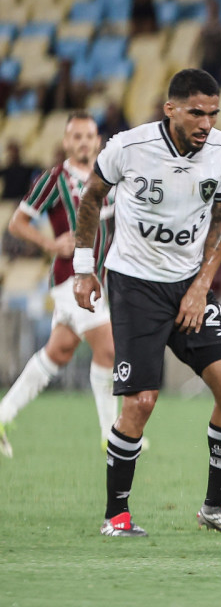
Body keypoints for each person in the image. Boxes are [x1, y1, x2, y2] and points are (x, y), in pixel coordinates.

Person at [72, 69, 221, 537]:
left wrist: (201, 285)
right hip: (135, 285)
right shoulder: (129, 147)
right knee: (142, 402)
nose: (206, 123)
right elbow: (92, 198)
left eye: (213, 113)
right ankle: (116, 514)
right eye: (196, 112)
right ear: (169, 108)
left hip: (189, 284)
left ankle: (216, 506)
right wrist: (82, 267)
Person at [0, 112, 115, 458]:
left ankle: (3, 414)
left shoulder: (106, 178)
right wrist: (52, 244)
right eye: (76, 136)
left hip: (99, 279)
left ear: (97, 141)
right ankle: (111, 435)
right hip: (69, 279)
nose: (83, 142)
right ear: (66, 142)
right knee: (107, 349)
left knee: (59, 351)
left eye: (88, 136)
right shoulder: (54, 179)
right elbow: (17, 223)